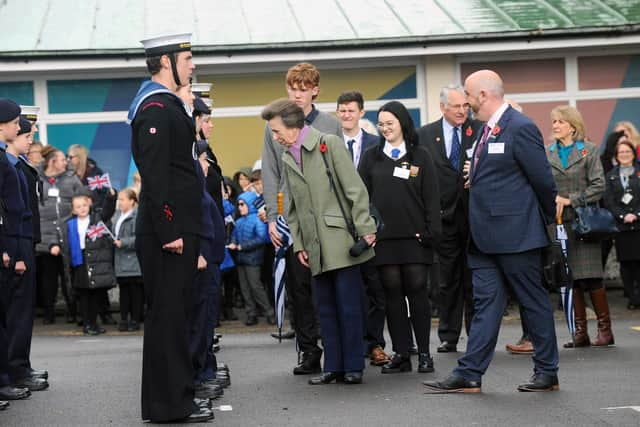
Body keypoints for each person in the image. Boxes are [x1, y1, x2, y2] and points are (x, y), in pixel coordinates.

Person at [424, 70, 559, 393]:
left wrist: (538, 223)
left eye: (468, 95)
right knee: (486, 305)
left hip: (516, 237)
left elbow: (543, 183)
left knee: (532, 302)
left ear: (483, 95)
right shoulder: (487, 130)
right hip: (483, 238)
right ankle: (469, 372)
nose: (466, 103)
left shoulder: (520, 127)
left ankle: (547, 371)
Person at [127, 33, 212, 423]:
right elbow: (156, 175)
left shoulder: (170, 107)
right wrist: (169, 230)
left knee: (174, 318)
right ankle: (171, 406)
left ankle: (175, 400)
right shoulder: (156, 109)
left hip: (177, 228)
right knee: (168, 319)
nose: (192, 65)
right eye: (188, 58)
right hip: (169, 232)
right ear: (166, 61)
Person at [262, 98, 376, 385]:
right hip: (313, 245)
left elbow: (355, 189)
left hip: (340, 239)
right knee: (324, 307)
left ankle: (353, 366)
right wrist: (299, 244)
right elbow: (294, 209)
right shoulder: (288, 157)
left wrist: (365, 228)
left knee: (348, 305)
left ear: (292, 126)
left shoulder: (329, 144)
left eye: (276, 131)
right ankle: (334, 366)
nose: (274, 138)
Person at [261, 62, 341, 374]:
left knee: (326, 284)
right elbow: (270, 173)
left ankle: (334, 346)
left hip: (324, 217)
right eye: (292, 88)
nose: (297, 94)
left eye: (303, 88)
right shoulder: (273, 125)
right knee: (298, 288)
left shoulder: (330, 125)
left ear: (315, 90)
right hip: (290, 216)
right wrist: (272, 216)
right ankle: (308, 350)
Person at [359, 101, 441, 374]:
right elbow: (362, 197)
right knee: (392, 296)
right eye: (381, 124)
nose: (384, 129)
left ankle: (425, 354)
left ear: (402, 124)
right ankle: (402, 354)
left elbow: (431, 197)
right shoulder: (371, 157)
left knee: (417, 293)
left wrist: (431, 232)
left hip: (415, 238)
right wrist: (366, 230)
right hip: (384, 240)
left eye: (389, 123)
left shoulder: (421, 156)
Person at [417, 84, 479, 354]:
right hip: (442, 218)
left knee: (474, 278)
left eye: (465, 106)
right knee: (446, 280)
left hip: (474, 217)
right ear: (443, 107)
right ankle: (448, 335)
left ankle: (477, 334)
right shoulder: (425, 135)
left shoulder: (478, 130)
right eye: (456, 106)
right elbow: (417, 174)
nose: (462, 111)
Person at [547, 105, 614, 348]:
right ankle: (580, 332)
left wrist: (571, 199)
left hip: (584, 223)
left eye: (560, 122)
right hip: (558, 224)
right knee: (569, 278)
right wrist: (551, 199)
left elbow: (598, 185)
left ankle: (605, 330)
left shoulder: (589, 150)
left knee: (592, 277)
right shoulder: (547, 153)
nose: (555, 125)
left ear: (573, 126)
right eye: (553, 121)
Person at [335, 90, 389, 365]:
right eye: (342, 110)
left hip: (370, 225)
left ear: (361, 113)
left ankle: (375, 344)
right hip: (339, 228)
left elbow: (380, 187)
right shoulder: (329, 145)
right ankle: (351, 345)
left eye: (351, 110)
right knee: (348, 290)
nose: (346, 115)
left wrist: (376, 225)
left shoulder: (375, 145)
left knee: (375, 288)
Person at [3, 114, 49, 391]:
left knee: (22, 312)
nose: (30, 140)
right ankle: (15, 369)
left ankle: (20, 365)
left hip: (24, 241)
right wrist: (17, 253)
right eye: (26, 134)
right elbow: (11, 212)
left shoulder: (18, 164)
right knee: (15, 314)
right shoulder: (8, 164)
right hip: (15, 242)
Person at [0, 98, 33, 402]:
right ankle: (8, 374)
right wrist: (10, 251)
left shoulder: (10, 162)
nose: (20, 128)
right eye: (15, 123)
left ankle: (12, 373)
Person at [36, 148, 84, 324]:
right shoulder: (37, 178)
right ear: (52, 162)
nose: (66, 162)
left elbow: (82, 197)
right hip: (46, 236)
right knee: (48, 278)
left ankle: (73, 311)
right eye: (62, 159)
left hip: (67, 233)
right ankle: (48, 313)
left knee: (68, 276)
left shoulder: (72, 178)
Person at [60, 191, 116, 335]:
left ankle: (94, 322)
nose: (82, 208)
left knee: (96, 295)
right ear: (73, 210)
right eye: (78, 207)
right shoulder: (69, 224)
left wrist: (110, 197)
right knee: (84, 295)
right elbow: (62, 240)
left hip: (95, 260)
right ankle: (87, 323)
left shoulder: (96, 219)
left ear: (89, 205)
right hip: (80, 261)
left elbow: (108, 211)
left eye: (84, 205)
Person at [229, 191, 275, 326]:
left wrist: (241, 246)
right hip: (242, 259)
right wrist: (233, 242)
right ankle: (251, 313)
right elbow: (234, 235)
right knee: (245, 288)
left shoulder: (258, 220)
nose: (240, 207)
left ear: (250, 204)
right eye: (238, 205)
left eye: (243, 204)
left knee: (256, 287)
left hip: (253, 259)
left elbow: (261, 238)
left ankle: (269, 312)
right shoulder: (239, 221)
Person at [603, 140, 640, 310]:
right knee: (626, 264)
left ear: (633, 153)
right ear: (616, 156)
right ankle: (632, 297)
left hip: (638, 225)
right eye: (621, 152)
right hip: (621, 226)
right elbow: (609, 200)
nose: (624, 155)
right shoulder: (611, 175)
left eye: (627, 151)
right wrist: (623, 215)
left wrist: (636, 214)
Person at [112, 188, 143, 331]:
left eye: (123, 199)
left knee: (135, 293)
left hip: (133, 261)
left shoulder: (137, 216)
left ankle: (135, 319)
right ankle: (124, 319)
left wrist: (123, 242)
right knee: (124, 293)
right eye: (119, 199)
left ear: (132, 201)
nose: (120, 203)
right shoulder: (117, 216)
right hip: (120, 260)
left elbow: (139, 238)